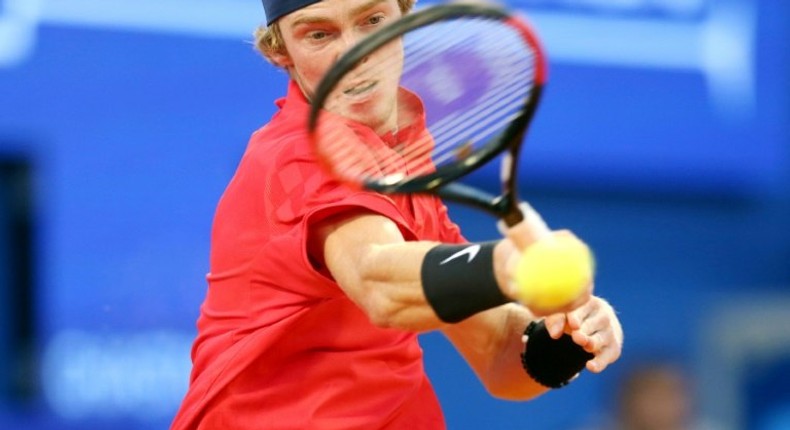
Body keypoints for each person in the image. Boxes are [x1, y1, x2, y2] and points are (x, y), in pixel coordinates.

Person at [171, 0, 624, 429]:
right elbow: (378, 280)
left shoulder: (403, 160)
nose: (354, 53)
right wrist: (510, 266)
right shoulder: (298, 155)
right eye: (319, 34)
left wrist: (566, 339)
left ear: (405, 16)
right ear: (281, 51)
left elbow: (502, 360)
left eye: (372, 20)